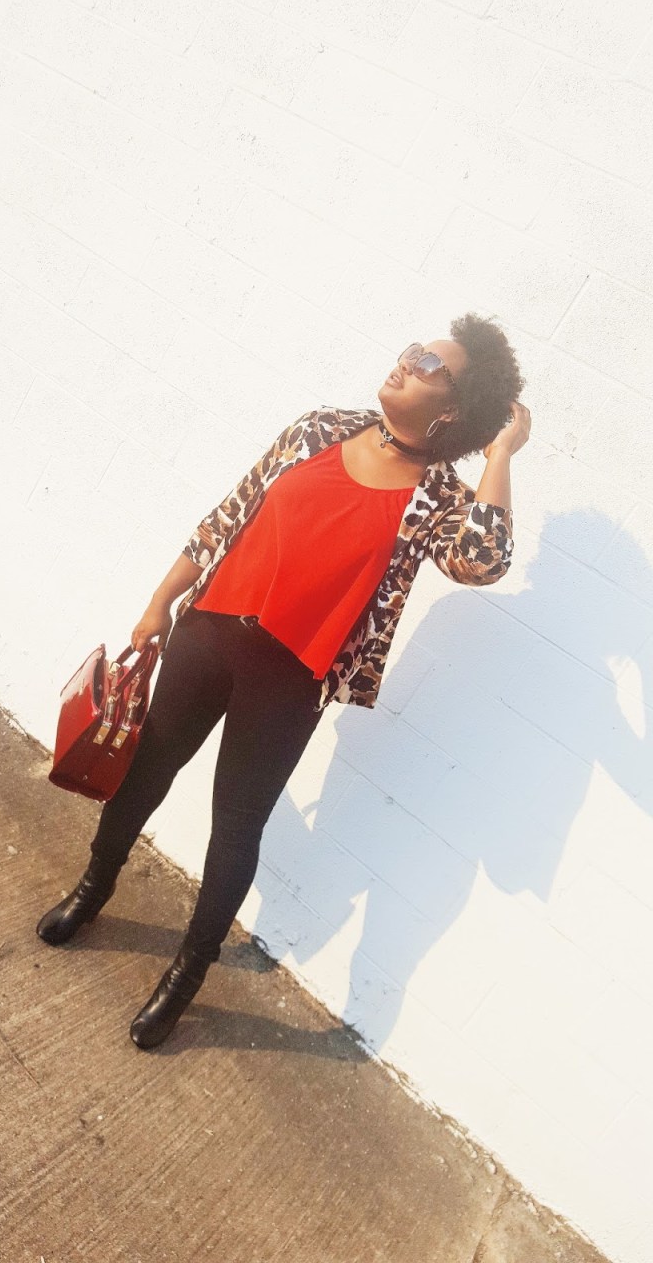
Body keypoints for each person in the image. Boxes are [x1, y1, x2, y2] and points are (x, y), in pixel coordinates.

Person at [36, 312, 530, 1050]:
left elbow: (482, 561)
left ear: (453, 408)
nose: (406, 360)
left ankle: (185, 977)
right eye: (412, 348)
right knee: (145, 771)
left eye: (429, 363)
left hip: (290, 681)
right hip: (208, 633)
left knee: (235, 827)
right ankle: (92, 889)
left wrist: (502, 452)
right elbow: (228, 515)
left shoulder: (438, 500)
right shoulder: (318, 430)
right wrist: (160, 601)